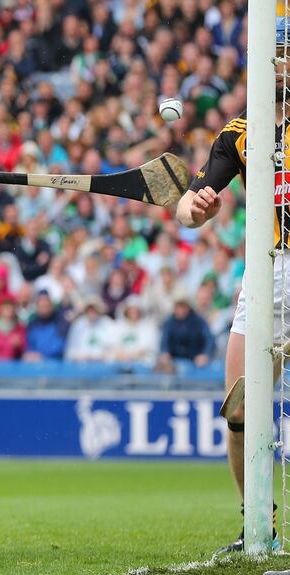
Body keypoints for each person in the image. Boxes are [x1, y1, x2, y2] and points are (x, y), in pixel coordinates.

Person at [175, 18, 286, 555]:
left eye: (288, 54)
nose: (281, 63)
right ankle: (256, 524)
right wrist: (194, 207)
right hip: (265, 273)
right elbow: (187, 207)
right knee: (239, 407)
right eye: (275, 54)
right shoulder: (242, 131)